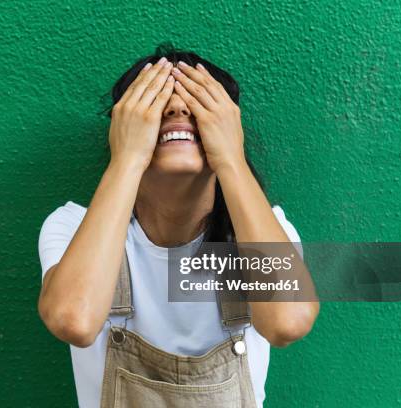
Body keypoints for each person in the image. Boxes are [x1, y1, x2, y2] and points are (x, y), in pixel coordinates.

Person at [37, 44, 320, 407]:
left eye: (198, 102)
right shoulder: (72, 226)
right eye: (155, 102)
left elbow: (288, 322)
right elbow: (73, 320)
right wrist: (126, 159)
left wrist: (231, 159)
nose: (177, 108)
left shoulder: (262, 230)